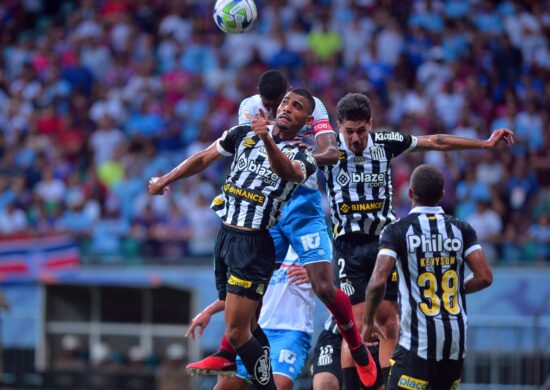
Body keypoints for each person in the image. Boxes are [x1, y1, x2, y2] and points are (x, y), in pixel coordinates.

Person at [188, 71, 378, 388]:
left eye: (286, 103)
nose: (280, 108)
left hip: (302, 205)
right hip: (269, 208)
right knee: (254, 279)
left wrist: (302, 159)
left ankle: (359, 351)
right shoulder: (249, 109)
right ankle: (226, 351)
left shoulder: (312, 107)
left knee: (323, 285)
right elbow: (242, 154)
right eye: (274, 104)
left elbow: (330, 152)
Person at [317, 92, 513, 388]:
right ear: (338, 127)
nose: (355, 138)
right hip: (349, 248)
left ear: (370, 124)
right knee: (356, 328)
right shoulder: (328, 151)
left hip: (386, 243)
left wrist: (483, 144)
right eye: (349, 132)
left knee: (390, 325)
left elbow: (435, 141)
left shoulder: (385, 143)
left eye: (361, 130)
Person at [149, 88, 319, 389]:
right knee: (251, 325)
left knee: (238, 332)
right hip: (225, 238)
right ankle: (238, 364)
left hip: (254, 244)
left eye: (297, 107)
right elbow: (204, 158)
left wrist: (267, 139)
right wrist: (166, 179)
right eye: (285, 102)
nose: (287, 108)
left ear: (306, 121)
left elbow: (289, 174)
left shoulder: (304, 156)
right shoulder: (244, 133)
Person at [362, 164, 494, 389]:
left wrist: (367, 322)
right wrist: (455, 289)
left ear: (410, 193)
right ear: (442, 195)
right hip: (455, 344)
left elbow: (378, 281)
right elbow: (485, 277)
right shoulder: (462, 229)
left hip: (417, 343)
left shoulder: (397, 231)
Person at [186, 247, 315, 390]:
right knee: (226, 385)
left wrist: (316, 275)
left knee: (280, 385)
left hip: (291, 332)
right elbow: (241, 292)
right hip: (254, 330)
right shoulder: (262, 246)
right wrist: (207, 312)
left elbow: (333, 282)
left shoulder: (308, 241)